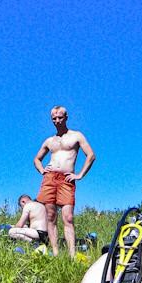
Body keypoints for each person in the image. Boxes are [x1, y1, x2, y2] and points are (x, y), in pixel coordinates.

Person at [34, 106, 96, 258]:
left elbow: (91, 155)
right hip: (50, 178)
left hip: (66, 179)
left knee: (68, 217)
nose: (57, 121)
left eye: (60, 118)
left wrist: (80, 174)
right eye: (54, 118)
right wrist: (43, 170)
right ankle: (55, 252)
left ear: (66, 117)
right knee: (50, 215)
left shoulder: (76, 136)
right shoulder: (50, 140)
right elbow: (37, 159)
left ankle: (72, 255)